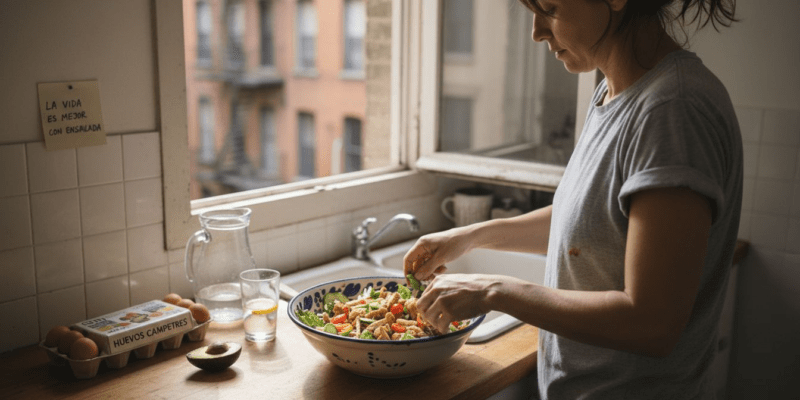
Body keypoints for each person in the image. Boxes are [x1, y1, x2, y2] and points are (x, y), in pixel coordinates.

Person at [403, 0, 741, 398]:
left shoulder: (672, 110)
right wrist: (471, 236)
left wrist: (494, 290)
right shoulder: (614, 93)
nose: (537, 32)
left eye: (549, 8)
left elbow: (652, 323)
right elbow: (592, 221)